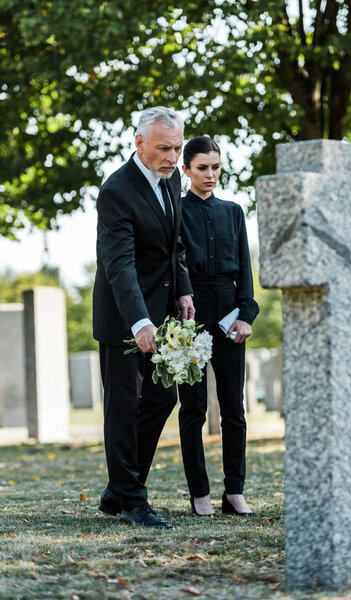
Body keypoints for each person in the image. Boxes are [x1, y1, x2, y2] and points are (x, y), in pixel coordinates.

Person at [93, 107, 194, 529]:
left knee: (161, 399)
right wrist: (140, 323)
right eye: (164, 149)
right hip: (123, 319)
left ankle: (119, 489)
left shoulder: (171, 183)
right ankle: (134, 501)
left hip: (163, 313)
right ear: (139, 144)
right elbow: (119, 265)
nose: (172, 158)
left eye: (177, 148)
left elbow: (174, 247)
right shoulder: (116, 190)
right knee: (122, 406)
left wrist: (184, 288)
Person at [178, 136, 259, 516]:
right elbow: (172, 266)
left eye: (215, 167)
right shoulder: (175, 212)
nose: (210, 175)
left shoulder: (234, 212)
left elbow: (245, 269)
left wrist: (246, 314)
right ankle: (199, 494)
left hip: (229, 312)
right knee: (192, 408)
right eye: (202, 168)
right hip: (188, 315)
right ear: (186, 170)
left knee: (233, 407)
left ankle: (234, 491)